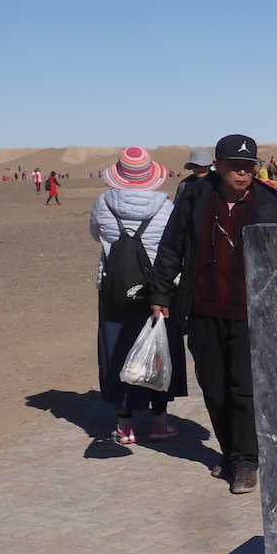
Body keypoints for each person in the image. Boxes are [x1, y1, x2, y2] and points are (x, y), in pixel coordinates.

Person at [148, 134, 277, 495]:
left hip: (248, 312)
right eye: (235, 166)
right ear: (218, 166)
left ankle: (246, 462)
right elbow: (172, 245)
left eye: (248, 167)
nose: (242, 173)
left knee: (244, 389)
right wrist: (161, 292)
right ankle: (229, 452)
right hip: (203, 307)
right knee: (213, 387)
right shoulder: (195, 197)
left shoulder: (267, 203)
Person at [89, 148, 188, 445]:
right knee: (158, 351)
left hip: (115, 290)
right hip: (157, 290)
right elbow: (175, 245)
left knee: (116, 352)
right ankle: (159, 422)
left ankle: (125, 426)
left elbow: (96, 234)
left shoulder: (103, 203)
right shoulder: (165, 206)